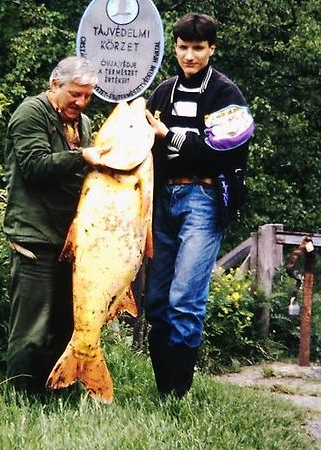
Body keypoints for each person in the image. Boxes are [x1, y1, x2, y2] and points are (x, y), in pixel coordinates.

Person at [144, 13, 254, 398]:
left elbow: (224, 155)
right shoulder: (162, 92)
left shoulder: (227, 94)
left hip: (204, 200)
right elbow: (144, 148)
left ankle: (180, 394)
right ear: (174, 48)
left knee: (184, 299)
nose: (189, 56)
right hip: (162, 200)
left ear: (211, 49)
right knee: (156, 300)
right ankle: (163, 393)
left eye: (198, 48)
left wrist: (171, 136)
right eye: (183, 47)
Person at [3, 56, 108, 395]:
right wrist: (82, 156)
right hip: (34, 236)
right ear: (54, 85)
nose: (81, 102)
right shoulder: (31, 112)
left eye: (88, 96)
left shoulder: (85, 123)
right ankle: (20, 397)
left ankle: (59, 396)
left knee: (69, 325)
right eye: (75, 94)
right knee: (31, 329)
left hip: (71, 241)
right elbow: (34, 166)